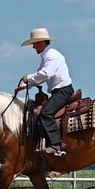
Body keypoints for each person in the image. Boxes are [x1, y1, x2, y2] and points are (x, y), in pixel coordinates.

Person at [15, 27, 74, 157]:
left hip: (62, 91)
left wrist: (28, 78)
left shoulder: (52, 56)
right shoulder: (46, 56)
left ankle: (56, 145)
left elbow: (46, 74)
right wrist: (25, 85)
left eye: (34, 44)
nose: (33, 47)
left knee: (46, 113)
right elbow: (40, 77)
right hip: (59, 91)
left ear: (41, 42)